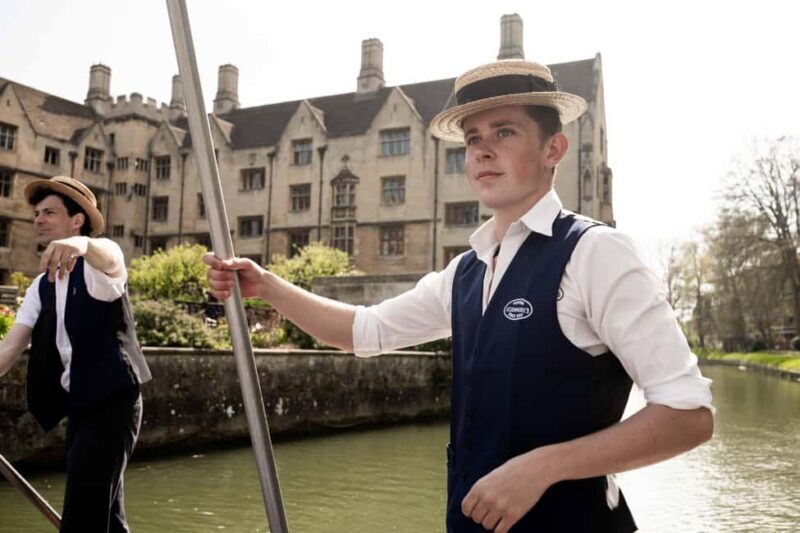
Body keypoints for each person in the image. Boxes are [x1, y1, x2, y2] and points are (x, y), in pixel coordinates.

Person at [203, 59, 714, 532]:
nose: (481, 151)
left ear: (553, 150)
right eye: (472, 139)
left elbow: (689, 415)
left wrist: (542, 468)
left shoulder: (596, 252)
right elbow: (364, 331)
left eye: (504, 132)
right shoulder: (466, 271)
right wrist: (265, 285)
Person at [0, 176, 151, 532]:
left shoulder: (98, 268)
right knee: (107, 516)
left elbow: (111, 254)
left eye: (49, 212)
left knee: (83, 516)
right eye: (37, 213)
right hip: (79, 405)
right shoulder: (40, 286)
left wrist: (81, 245)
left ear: (77, 220)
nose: (38, 219)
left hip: (114, 402)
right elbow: (8, 349)